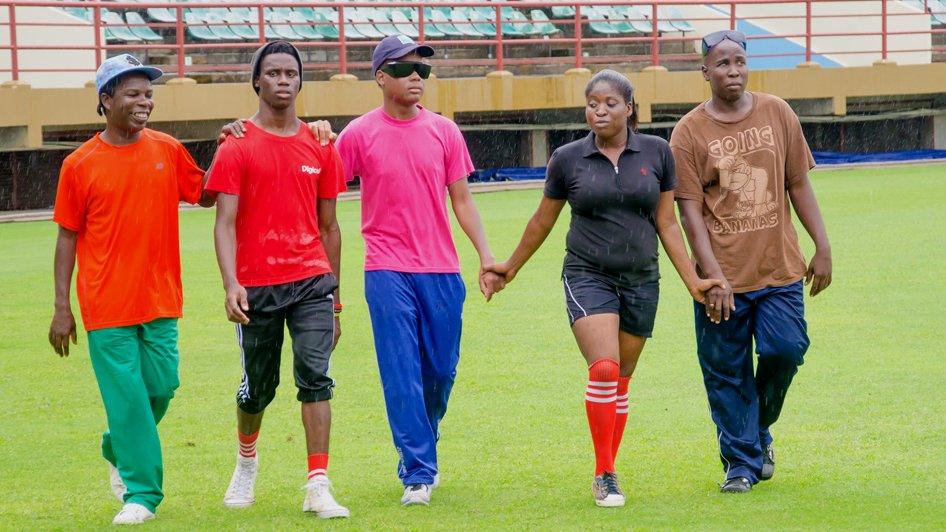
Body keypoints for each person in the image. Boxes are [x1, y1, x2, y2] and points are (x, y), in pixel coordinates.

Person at [485, 69, 723, 507]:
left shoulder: (657, 152)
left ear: (629, 108)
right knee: (605, 369)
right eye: (592, 103)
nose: (599, 110)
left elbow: (667, 223)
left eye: (610, 103)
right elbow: (543, 220)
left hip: (641, 279)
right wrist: (509, 268)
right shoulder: (567, 159)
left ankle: (610, 462)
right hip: (587, 275)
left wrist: (693, 282)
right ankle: (604, 473)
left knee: (622, 380)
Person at [48, 54, 214, 525]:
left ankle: (115, 443)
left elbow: (206, 193)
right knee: (126, 398)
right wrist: (62, 308)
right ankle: (141, 495)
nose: (145, 102)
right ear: (106, 100)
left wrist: (232, 145)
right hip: (105, 304)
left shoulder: (166, 148)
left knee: (162, 387)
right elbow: (66, 237)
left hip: (161, 298)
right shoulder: (79, 165)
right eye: (133, 93)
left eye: (148, 93)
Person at [337, 34, 497, 507]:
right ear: (380, 76)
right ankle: (418, 471)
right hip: (386, 269)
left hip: (442, 270)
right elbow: (322, 185)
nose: (417, 78)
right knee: (402, 371)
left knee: (440, 370)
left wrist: (486, 257)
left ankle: (424, 433)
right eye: (407, 69)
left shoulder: (445, 132)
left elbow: (463, 202)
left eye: (423, 70)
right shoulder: (358, 134)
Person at [669, 30, 832, 493]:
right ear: (705, 72)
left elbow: (798, 183)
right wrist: (710, 274)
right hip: (722, 278)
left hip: (780, 267)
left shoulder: (777, 112)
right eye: (722, 64)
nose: (733, 71)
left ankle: (756, 429)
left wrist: (821, 245)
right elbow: (690, 210)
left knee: (786, 350)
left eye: (739, 61)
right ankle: (740, 463)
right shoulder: (688, 132)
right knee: (726, 372)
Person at [204, 41, 349, 518]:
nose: (283, 80)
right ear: (257, 81)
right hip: (257, 285)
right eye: (274, 73)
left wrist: (336, 298)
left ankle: (318, 484)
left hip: (311, 278)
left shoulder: (321, 144)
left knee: (316, 376)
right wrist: (231, 284)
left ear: (301, 81)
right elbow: (224, 222)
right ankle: (247, 460)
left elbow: (330, 226)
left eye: (291, 73)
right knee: (257, 390)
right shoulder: (236, 143)